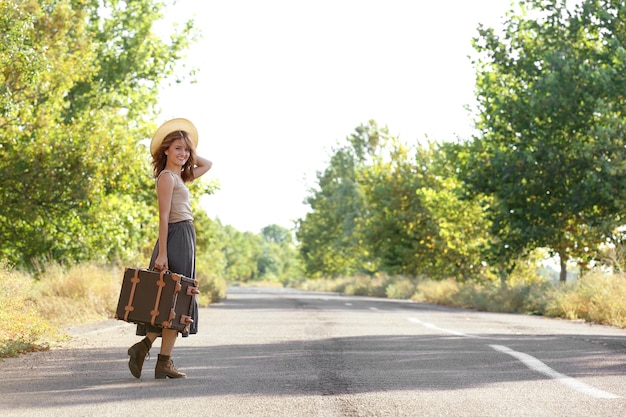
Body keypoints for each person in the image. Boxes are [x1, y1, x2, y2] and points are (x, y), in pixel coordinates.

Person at [127, 118, 212, 379]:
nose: (183, 154)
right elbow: (163, 217)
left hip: (185, 236)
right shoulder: (166, 178)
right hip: (174, 237)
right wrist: (162, 253)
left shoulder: (180, 176)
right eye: (177, 148)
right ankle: (152, 353)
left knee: (175, 302)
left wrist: (189, 150)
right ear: (165, 150)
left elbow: (207, 165)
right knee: (173, 299)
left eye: (186, 150)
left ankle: (158, 357)